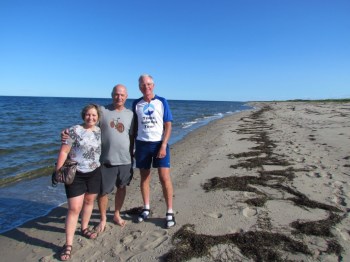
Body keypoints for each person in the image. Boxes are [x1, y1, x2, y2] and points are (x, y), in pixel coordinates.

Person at [61, 84, 134, 233]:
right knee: (103, 192)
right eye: (116, 94)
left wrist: (132, 155)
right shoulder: (102, 111)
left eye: (122, 95)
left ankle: (116, 214)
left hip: (125, 159)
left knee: (122, 187)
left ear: (126, 96)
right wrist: (68, 133)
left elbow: (132, 136)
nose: (119, 97)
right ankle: (103, 218)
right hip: (105, 160)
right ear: (112, 94)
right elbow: (88, 123)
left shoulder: (131, 114)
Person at [57, 104, 102, 261]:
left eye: (94, 115)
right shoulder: (74, 130)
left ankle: (84, 228)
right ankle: (68, 244)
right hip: (76, 173)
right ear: (84, 115)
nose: (91, 117)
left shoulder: (99, 130)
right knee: (74, 208)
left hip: (95, 172)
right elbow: (64, 150)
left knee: (89, 201)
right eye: (88, 114)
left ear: (98, 117)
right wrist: (58, 170)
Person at [132, 74, 176, 228]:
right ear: (139, 87)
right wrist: (133, 146)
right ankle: (146, 208)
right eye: (143, 85)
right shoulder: (136, 104)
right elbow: (135, 127)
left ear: (153, 85)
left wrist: (164, 144)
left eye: (149, 84)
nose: (146, 87)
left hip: (159, 144)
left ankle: (169, 211)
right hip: (142, 145)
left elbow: (168, 125)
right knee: (144, 178)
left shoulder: (162, 101)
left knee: (164, 177)